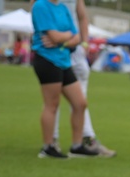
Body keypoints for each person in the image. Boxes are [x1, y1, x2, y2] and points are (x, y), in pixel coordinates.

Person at [36, 0, 116, 157]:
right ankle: (49, 145)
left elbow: (74, 33)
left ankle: (78, 145)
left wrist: (70, 39)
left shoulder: (62, 8)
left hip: (64, 58)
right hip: (48, 58)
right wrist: (67, 37)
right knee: (52, 103)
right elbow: (52, 35)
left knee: (80, 103)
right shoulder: (41, 5)